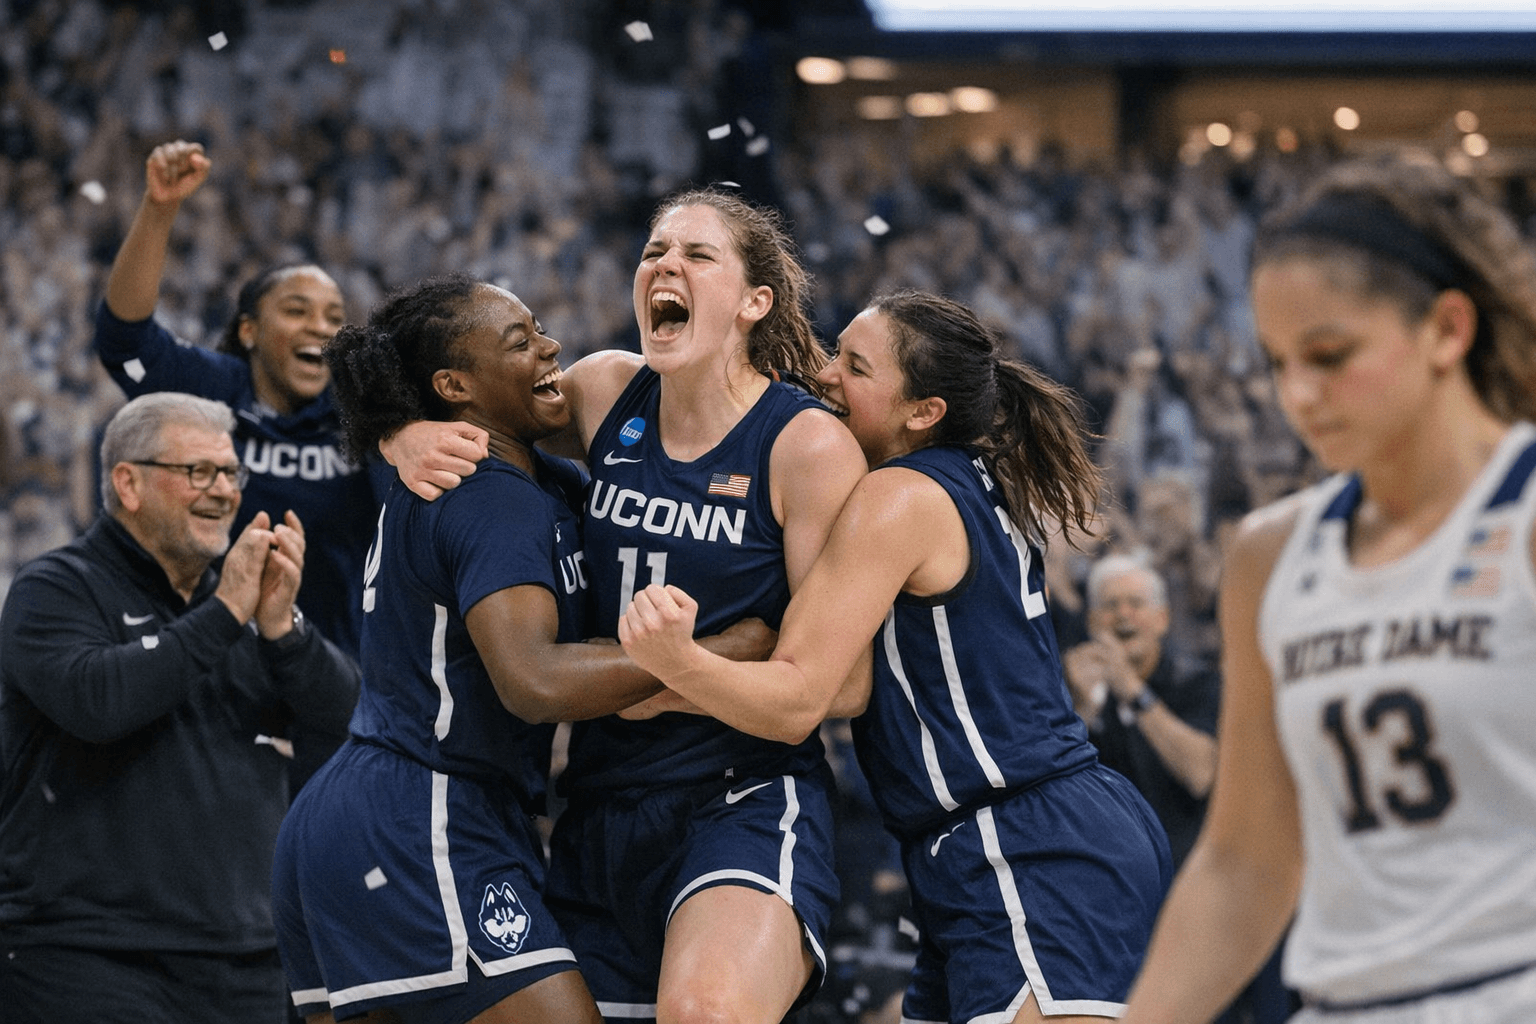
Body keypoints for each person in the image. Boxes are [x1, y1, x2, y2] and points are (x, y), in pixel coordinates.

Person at [618, 289, 1172, 1024]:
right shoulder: (968, 482)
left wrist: (673, 665)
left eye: (854, 365)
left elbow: (799, 697)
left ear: (923, 412)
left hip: (1026, 840)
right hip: (994, 840)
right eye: (833, 351)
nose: (824, 374)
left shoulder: (898, 496)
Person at [382, 188, 869, 1024]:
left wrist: (677, 675)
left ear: (755, 302)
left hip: (739, 793)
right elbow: (464, 389)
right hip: (602, 799)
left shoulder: (804, 443)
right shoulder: (609, 389)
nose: (664, 266)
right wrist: (402, 431)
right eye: (653, 251)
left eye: (696, 254)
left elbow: (844, 686)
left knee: (705, 1012)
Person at [272, 273, 772, 1023]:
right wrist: (714, 651)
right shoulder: (489, 495)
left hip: (371, 814)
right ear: (454, 385)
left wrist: (395, 431)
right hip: (425, 812)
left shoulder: (538, 483)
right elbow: (533, 680)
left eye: (539, 327)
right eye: (521, 341)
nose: (550, 347)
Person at [1118, 152, 1536, 1024]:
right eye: (1277, 362)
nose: (1298, 395)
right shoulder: (1271, 554)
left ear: (1447, 330)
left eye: (1331, 355)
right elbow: (1245, 861)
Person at [0, 391, 360, 1023]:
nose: (223, 491)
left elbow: (346, 718)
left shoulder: (246, 601)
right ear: (128, 483)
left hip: (245, 957)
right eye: (199, 472)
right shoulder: (54, 589)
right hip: (87, 957)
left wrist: (283, 626)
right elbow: (99, 703)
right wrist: (227, 613)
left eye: (230, 474)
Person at [94, 139, 380, 663]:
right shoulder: (215, 388)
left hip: (333, 669)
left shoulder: (366, 410)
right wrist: (160, 210)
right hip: (209, 664)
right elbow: (125, 341)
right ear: (248, 330)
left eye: (333, 316)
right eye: (297, 310)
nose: (320, 326)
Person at [1062, 555, 1291, 1024]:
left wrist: (1134, 692)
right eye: (1109, 606)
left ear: (1162, 619)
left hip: (1200, 903)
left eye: (1135, 604)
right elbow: (1057, 797)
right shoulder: (1069, 695)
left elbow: (1201, 771)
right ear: (1091, 622)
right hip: (1115, 911)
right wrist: (1080, 711)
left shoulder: (1200, 683)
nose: (1123, 615)